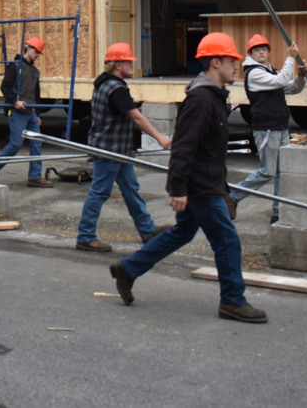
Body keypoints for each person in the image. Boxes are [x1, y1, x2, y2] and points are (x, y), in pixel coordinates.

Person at [108, 32, 267, 324]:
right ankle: (232, 301)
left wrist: (222, 189)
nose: (237, 66)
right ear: (216, 62)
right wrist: (178, 188)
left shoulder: (215, 95)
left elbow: (208, 150)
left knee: (180, 233)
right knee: (228, 241)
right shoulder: (201, 99)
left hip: (205, 182)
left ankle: (128, 269)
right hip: (199, 186)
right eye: (233, 61)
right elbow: (184, 146)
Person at [76, 43, 172, 252]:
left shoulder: (105, 84)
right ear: (118, 65)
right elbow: (136, 117)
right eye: (129, 62)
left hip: (117, 149)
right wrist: (159, 137)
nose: (132, 65)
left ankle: (147, 230)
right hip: (109, 149)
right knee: (99, 192)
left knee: (130, 189)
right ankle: (85, 236)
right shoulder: (116, 89)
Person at [228, 34, 307, 224]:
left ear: (268, 52)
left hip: (280, 126)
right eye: (257, 49)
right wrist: (290, 58)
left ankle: (277, 212)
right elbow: (280, 81)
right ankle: (232, 196)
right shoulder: (254, 73)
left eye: (264, 49)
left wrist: (301, 75)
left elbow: (291, 88)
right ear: (251, 54)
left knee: (282, 173)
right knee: (268, 171)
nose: (261, 51)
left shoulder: (271, 71)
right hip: (266, 128)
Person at [0, 37, 52, 188]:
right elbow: (5, 87)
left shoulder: (35, 71)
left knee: (37, 144)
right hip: (18, 112)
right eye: (36, 51)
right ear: (28, 48)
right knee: (16, 144)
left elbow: (36, 95)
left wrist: (38, 114)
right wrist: (15, 102)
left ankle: (35, 177)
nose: (37, 55)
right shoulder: (15, 67)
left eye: (39, 53)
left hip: (31, 113)